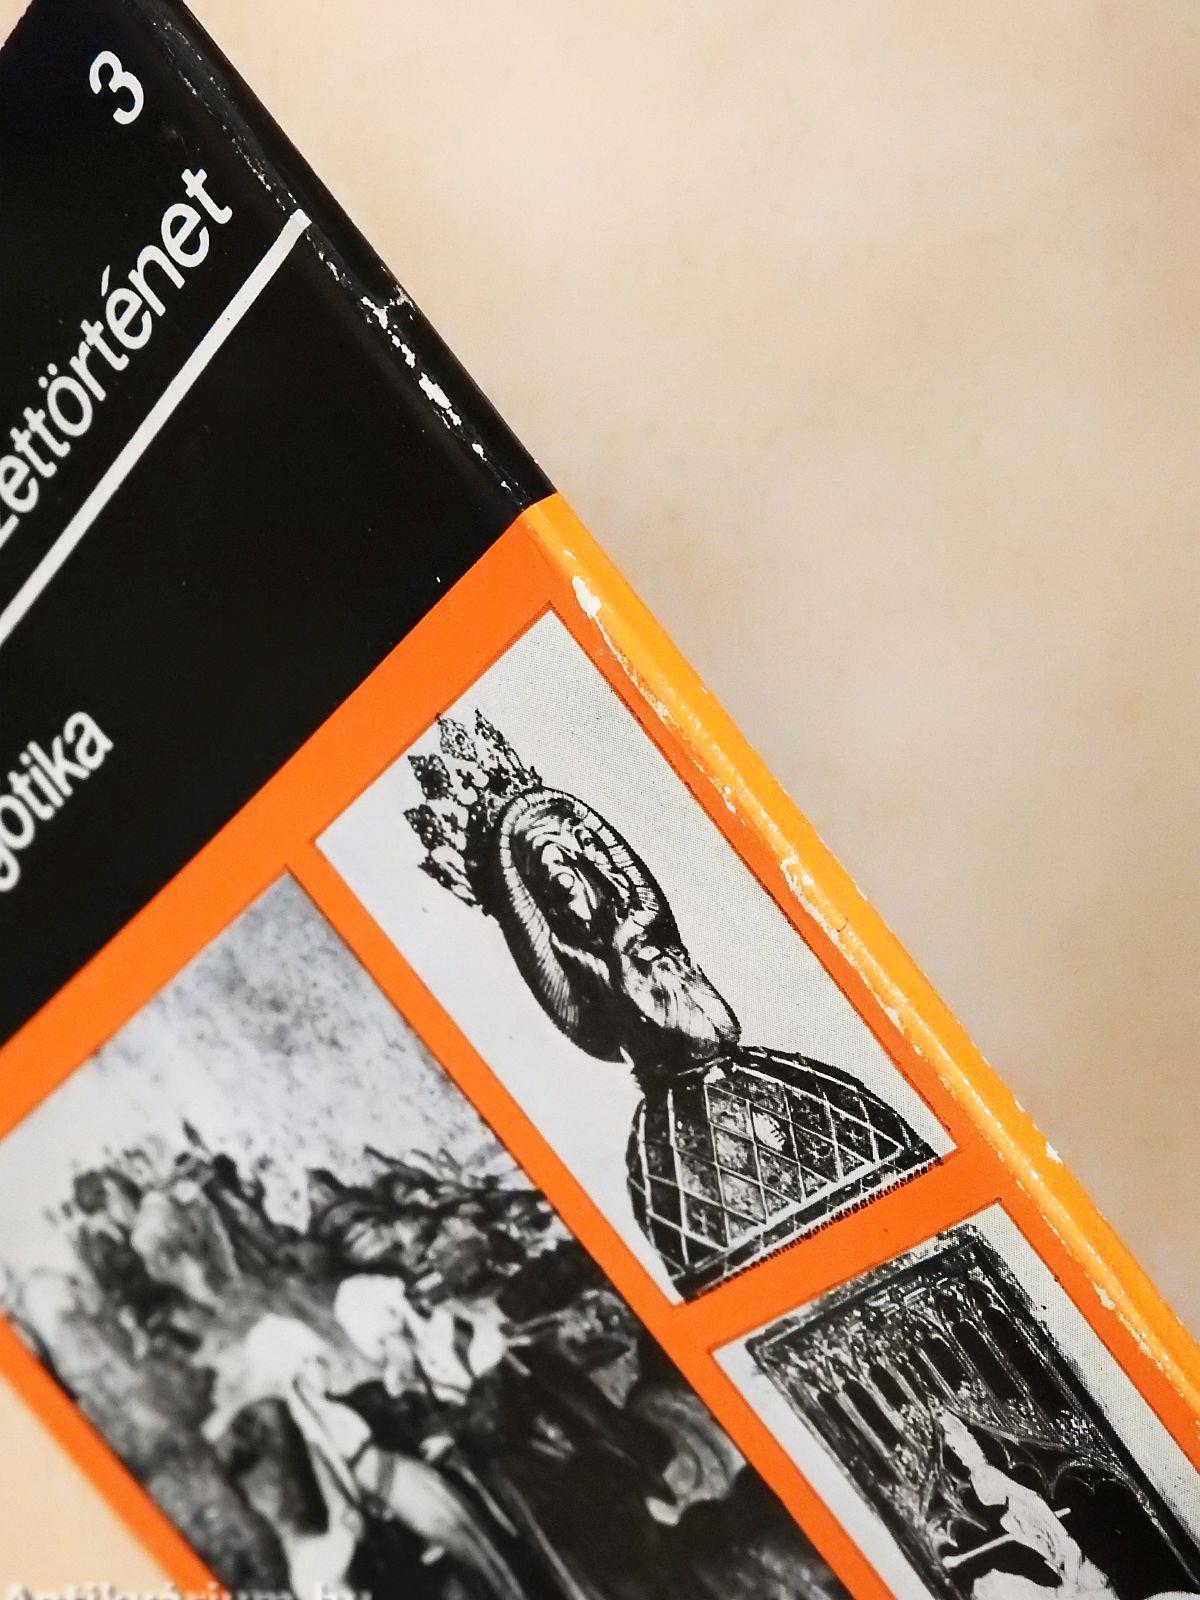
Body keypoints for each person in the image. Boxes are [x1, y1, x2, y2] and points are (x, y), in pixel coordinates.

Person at [203, 1313, 534, 1600]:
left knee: (479, 1546)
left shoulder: (325, 1415)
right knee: (476, 1548)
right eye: (314, 1361)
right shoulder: (313, 1424)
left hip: (395, 1483)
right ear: (299, 1368)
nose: (323, 1367)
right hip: (396, 1486)